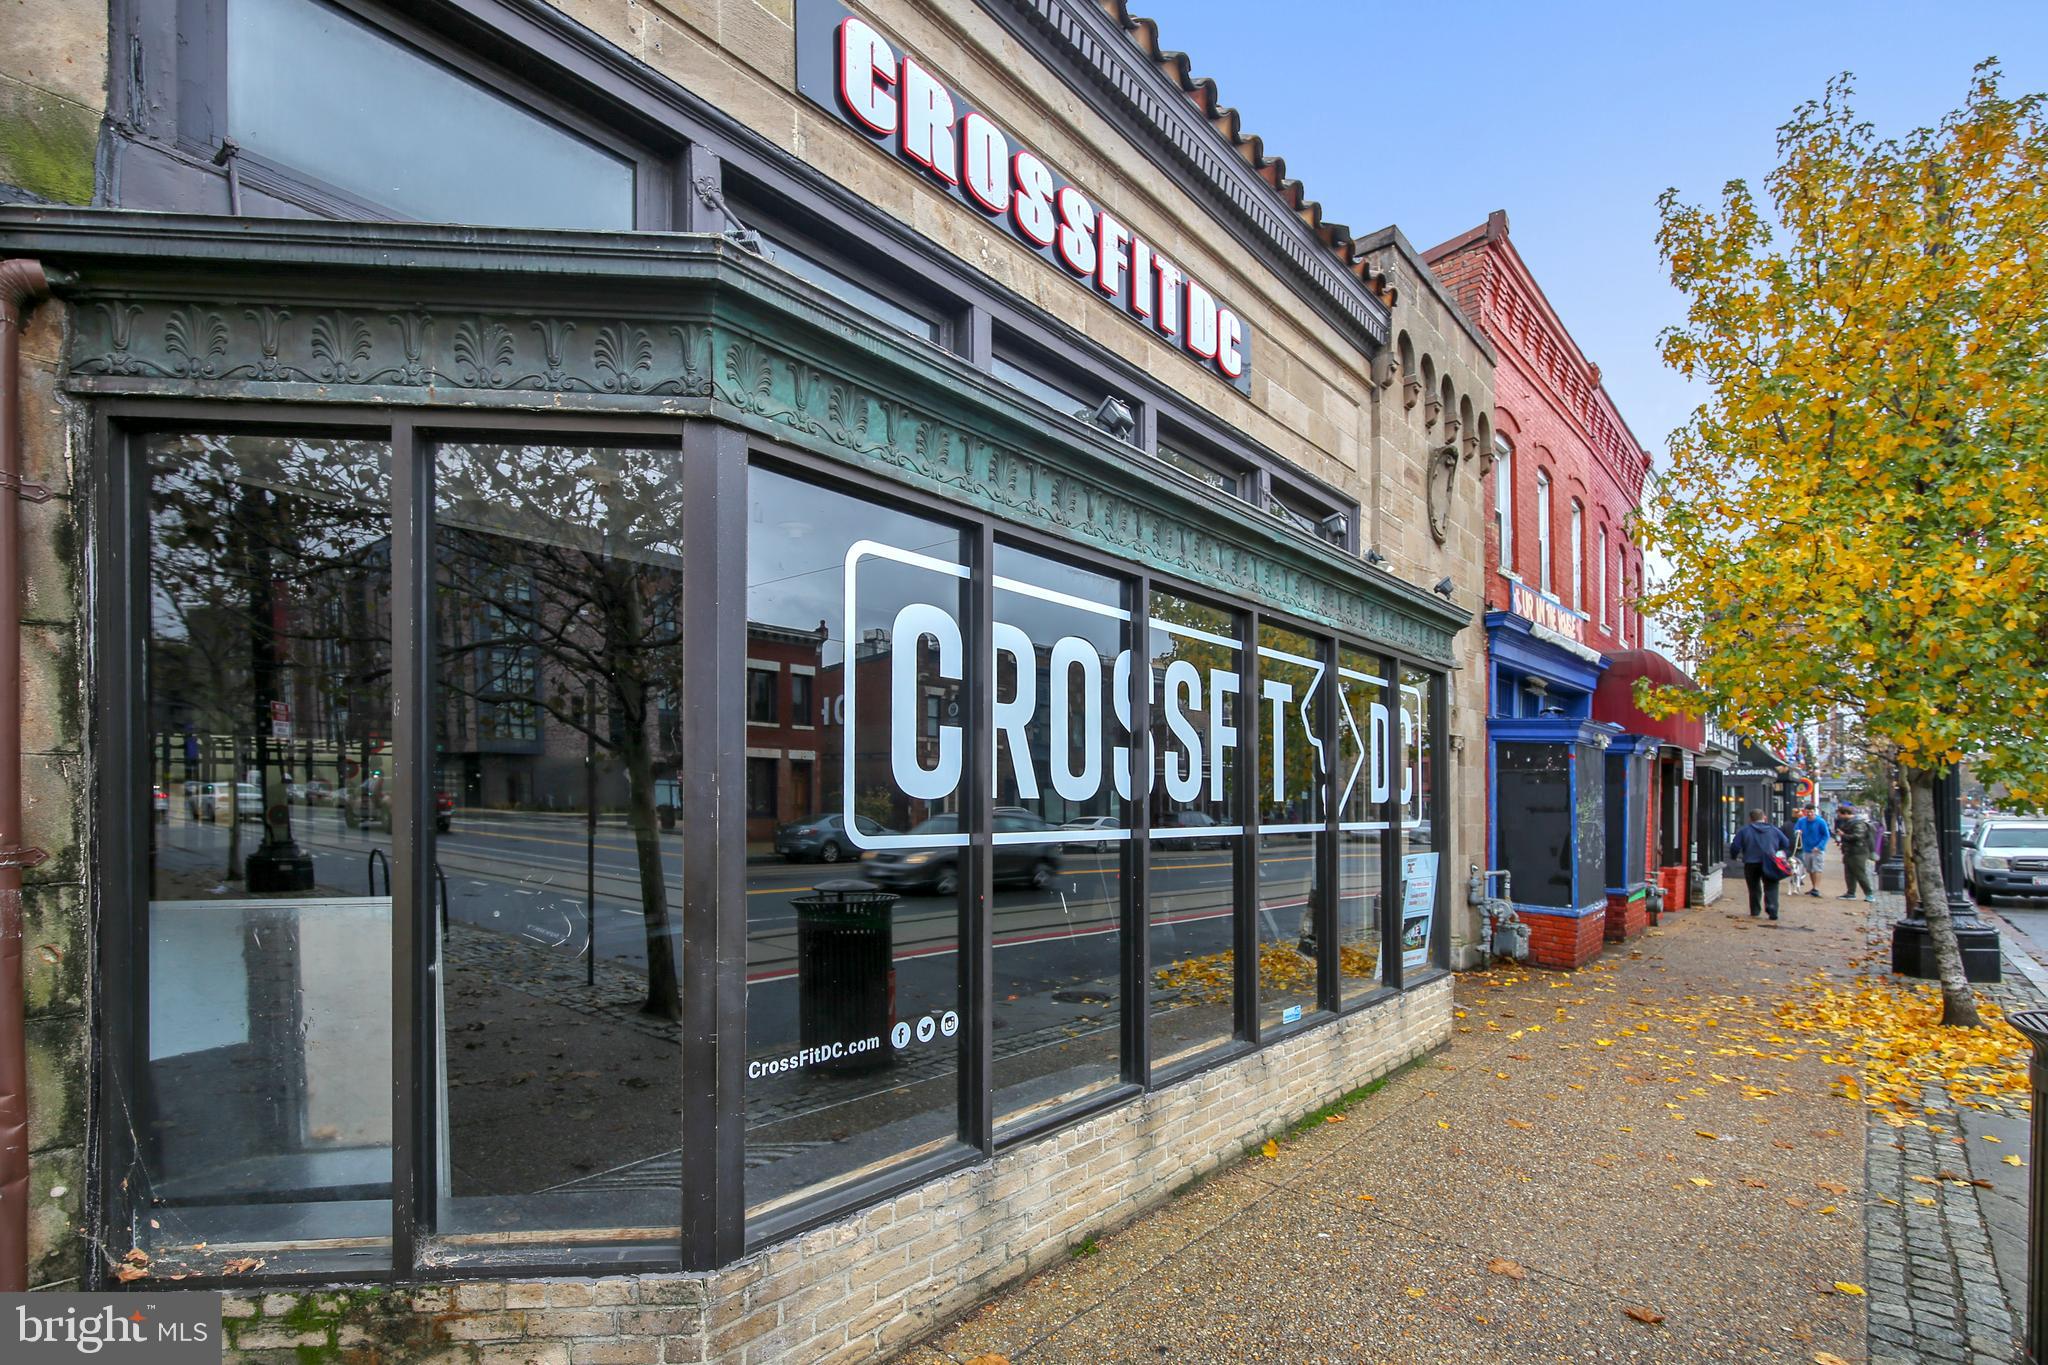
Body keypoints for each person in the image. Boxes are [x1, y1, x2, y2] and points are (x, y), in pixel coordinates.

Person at [1731, 808, 1792, 920]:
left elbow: (1735, 846)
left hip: (1751, 862)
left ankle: (1755, 910)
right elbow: (1786, 843)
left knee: (1754, 887)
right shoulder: (1774, 830)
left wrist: (1734, 856)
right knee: (1771, 886)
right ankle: (1772, 909)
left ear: (1750, 819)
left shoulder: (1745, 830)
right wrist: (1779, 852)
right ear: (1764, 818)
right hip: (1770, 861)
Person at [1837, 804, 1877, 902]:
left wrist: (1844, 835)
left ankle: (1869, 893)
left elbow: (1858, 836)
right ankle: (1851, 892)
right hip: (1850, 851)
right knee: (1849, 873)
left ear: (1845, 813)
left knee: (1860, 873)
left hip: (1858, 852)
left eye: (1839, 814)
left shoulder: (1858, 823)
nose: (1839, 817)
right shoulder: (1849, 823)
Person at [1793, 805, 1832, 898]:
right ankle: (1814, 887)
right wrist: (1797, 832)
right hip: (1806, 848)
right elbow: (1795, 830)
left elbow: (1826, 835)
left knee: (1817, 868)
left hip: (1817, 849)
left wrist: (1819, 846)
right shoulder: (1801, 821)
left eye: (1811, 812)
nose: (1810, 814)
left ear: (1814, 812)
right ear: (1805, 812)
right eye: (1807, 812)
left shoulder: (1820, 821)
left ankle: (1816, 888)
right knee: (1810, 869)